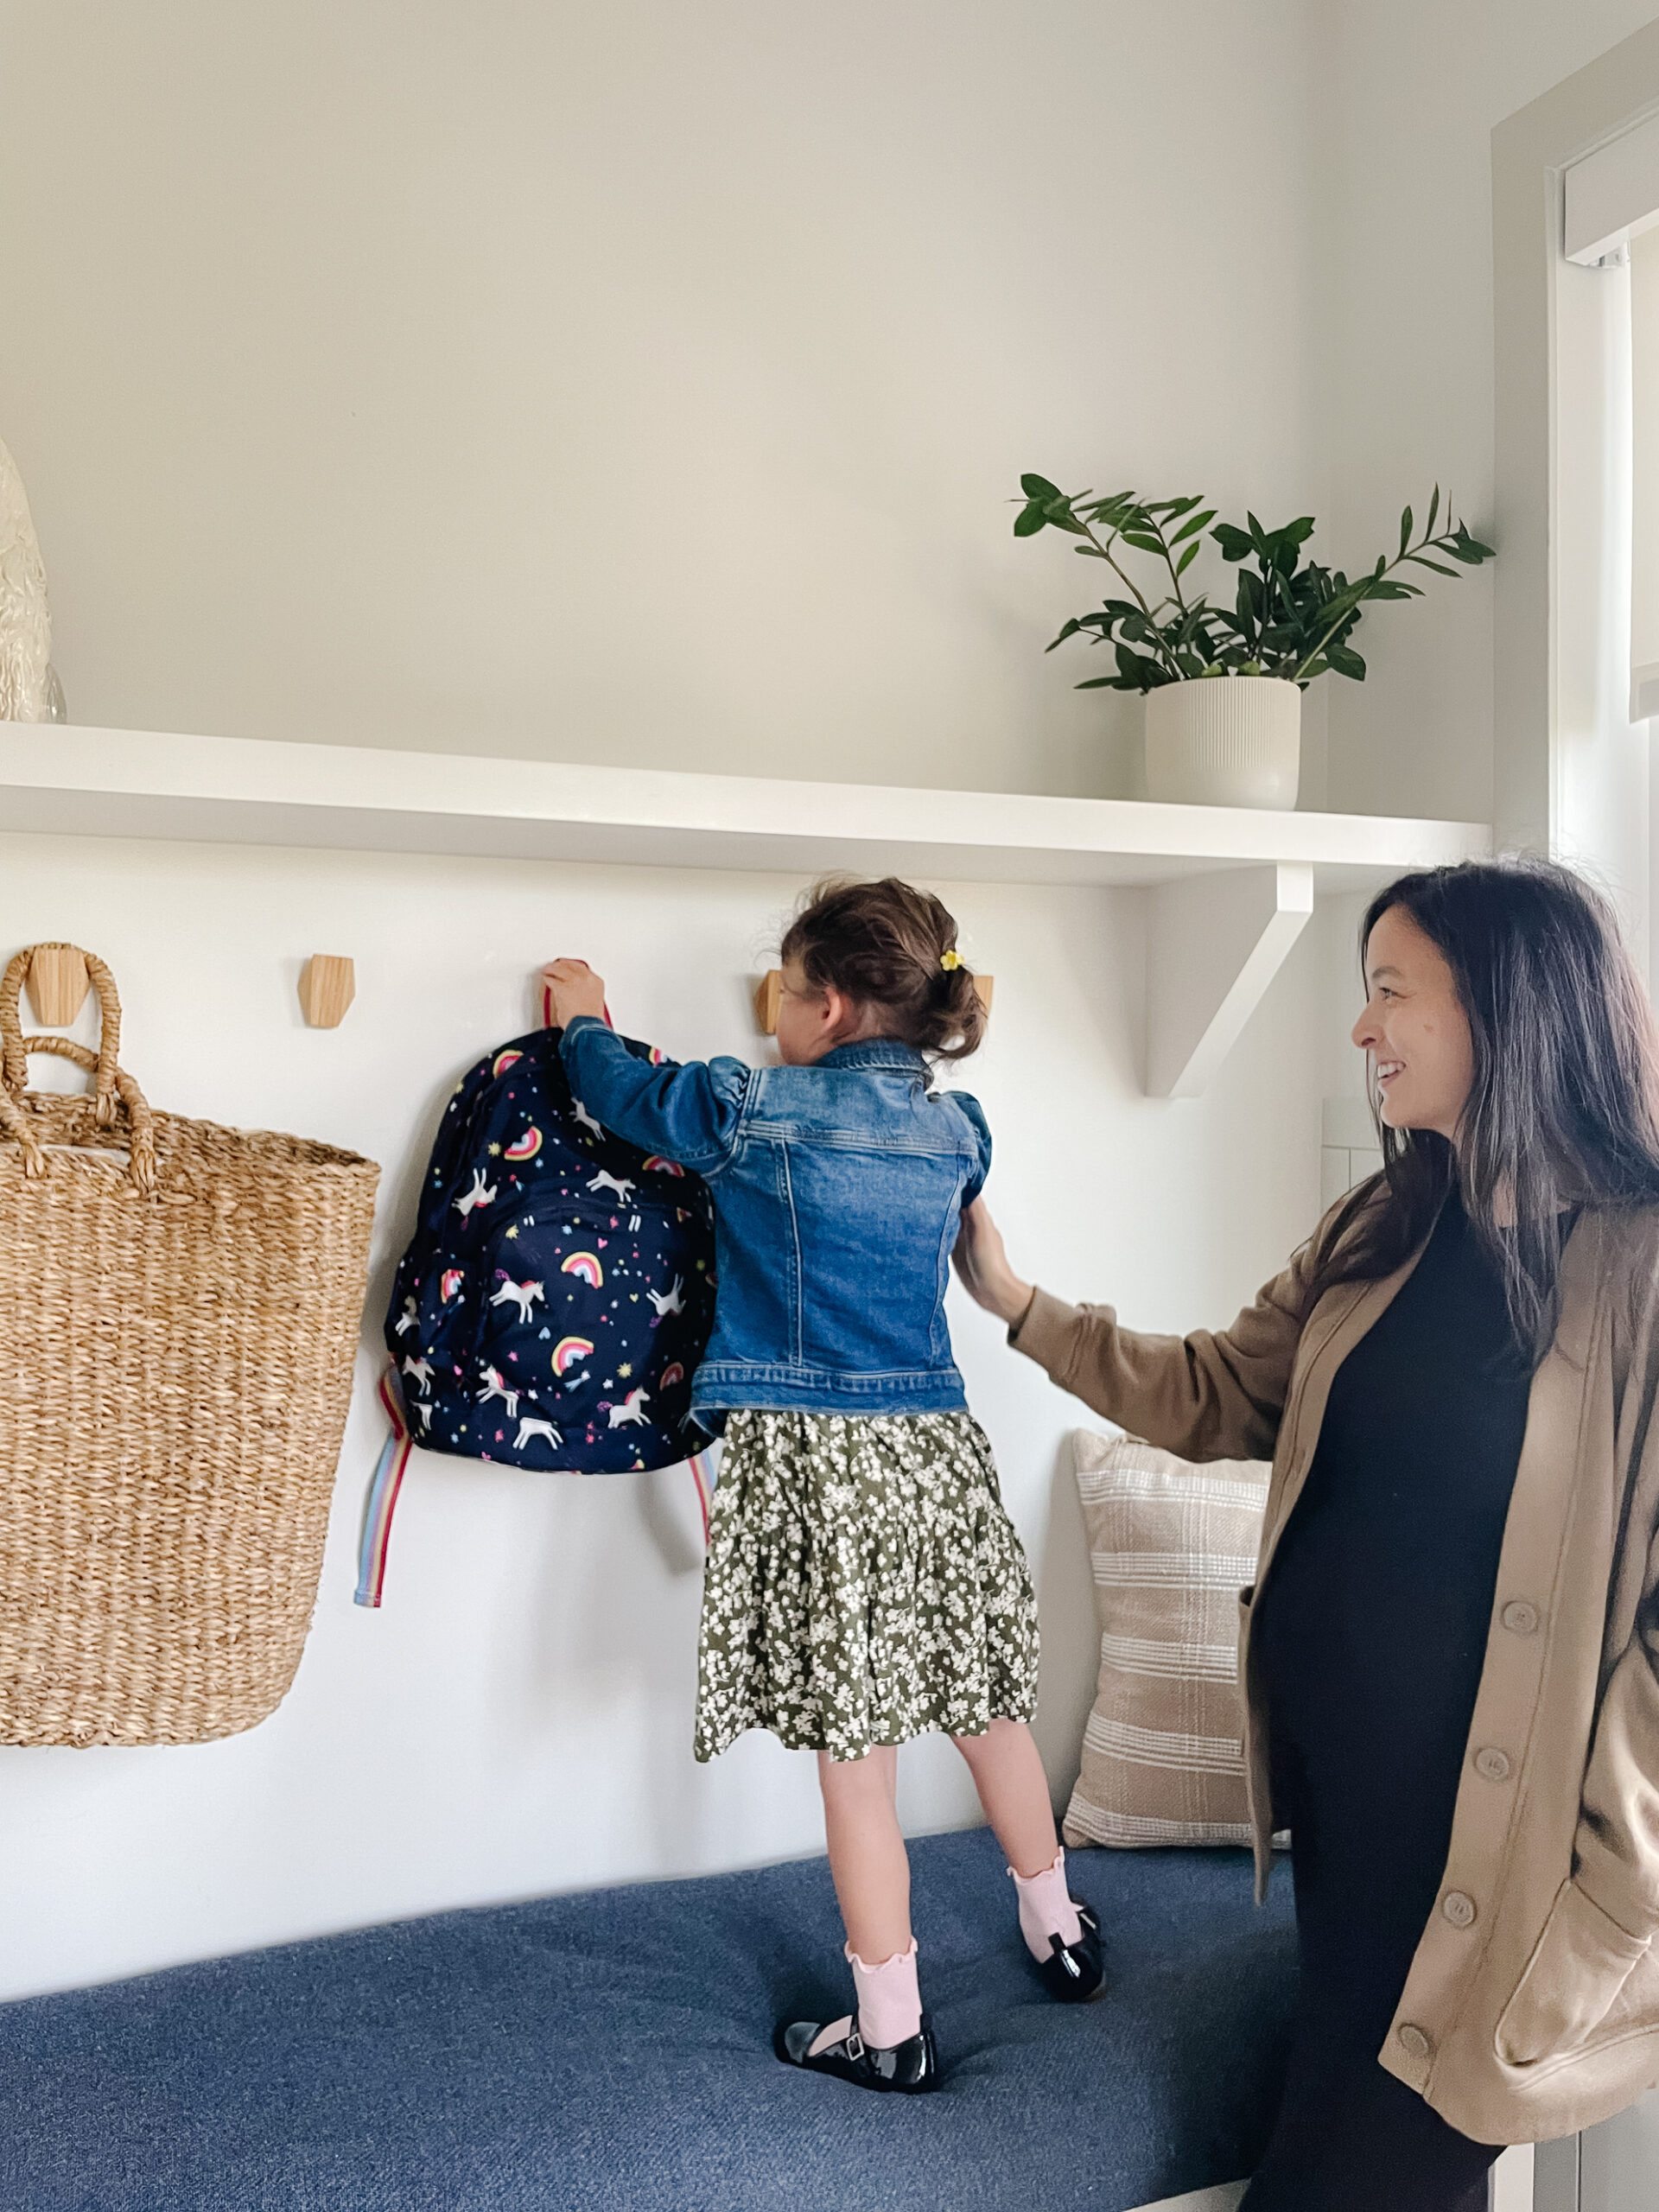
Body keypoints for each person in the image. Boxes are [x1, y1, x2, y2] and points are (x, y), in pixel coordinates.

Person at [953, 858, 1659, 2211]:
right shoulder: (1386, 1223)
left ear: (1506, 1012)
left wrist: (1612, 1885)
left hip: (1506, 1869)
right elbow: (1221, 1390)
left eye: (1390, 991)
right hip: (1350, 1828)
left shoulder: (1639, 1268)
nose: (1360, 1029)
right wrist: (1017, 1302)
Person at [540, 876, 1101, 2097]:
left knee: (859, 1761)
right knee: (986, 1702)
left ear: (831, 1005)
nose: (771, 1012)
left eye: (784, 990)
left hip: (819, 1466)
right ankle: (1058, 1926)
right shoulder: (963, 1131)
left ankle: (891, 2027)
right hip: (939, 1454)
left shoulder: (749, 1109)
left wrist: (583, 1017)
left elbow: (627, 1097)